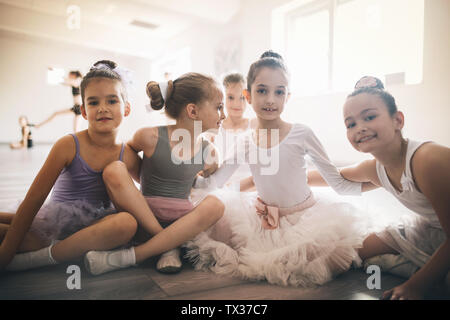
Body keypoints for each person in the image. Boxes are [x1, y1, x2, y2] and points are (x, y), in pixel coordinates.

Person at [183, 51, 375, 287]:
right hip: (261, 221)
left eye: (279, 92)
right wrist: (183, 180)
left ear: (287, 97)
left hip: (306, 219)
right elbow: (215, 182)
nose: (271, 99)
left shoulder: (302, 133)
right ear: (248, 96)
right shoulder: (245, 141)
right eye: (262, 90)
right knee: (220, 228)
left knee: (322, 256)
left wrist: (383, 181)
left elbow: (337, 183)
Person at [312, 76, 450, 299]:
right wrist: (287, 179)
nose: (361, 128)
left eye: (370, 117)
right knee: (351, 251)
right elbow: (333, 176)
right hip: (433, 228)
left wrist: (416, 286)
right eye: (351, 124)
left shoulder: (427, 160)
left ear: (398, 120)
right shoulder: (374, 168)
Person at [0, 60, 140, 271]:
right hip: (54, 226)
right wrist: (7, 252)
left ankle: (47, 254)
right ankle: (60, 249)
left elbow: (152, 189)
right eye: (93, 103)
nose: (102, 108)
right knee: (17, 229)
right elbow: (34, 198)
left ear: (126, 108)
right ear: (83, 111)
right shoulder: (68, 145)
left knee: (127, 223)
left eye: (112, 101)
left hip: (95, 226)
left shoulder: (127, 154)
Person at [83, 72, 227, 275]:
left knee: (216, 205)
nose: (224, 115)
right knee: (114, 169)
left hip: (181, 226)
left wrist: (196, 180)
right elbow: (126, 159)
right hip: (145, 219)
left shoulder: (210, 153)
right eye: (219, 107)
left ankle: (134, 255)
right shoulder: (149, 137)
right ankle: (167, 246)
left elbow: (205, 186)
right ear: (193, 111)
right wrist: (141, 179)